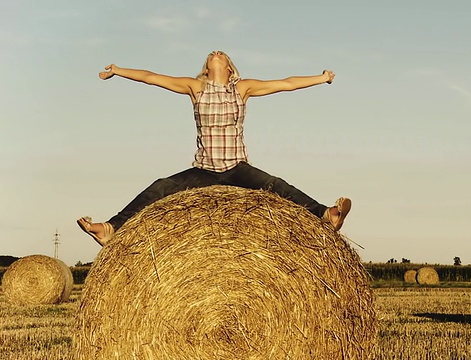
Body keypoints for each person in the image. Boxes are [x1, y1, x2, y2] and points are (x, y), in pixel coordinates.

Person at [77, 50, 351, 246]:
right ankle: (111, 228)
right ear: (207, 69)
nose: (216, 52)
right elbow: (151, 77)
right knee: (159, 187)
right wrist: (118, 71)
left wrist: (322, 78)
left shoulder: (242, 88)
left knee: (275, 184)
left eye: (221, 54)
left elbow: (286, 83)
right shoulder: (195, 87)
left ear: (230, 68)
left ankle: (326, 215)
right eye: (212, 55)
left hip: (237, 168)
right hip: (204, 170)